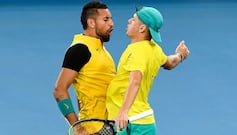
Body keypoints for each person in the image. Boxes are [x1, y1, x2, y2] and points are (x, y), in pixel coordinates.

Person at [106, 6, 190, 135]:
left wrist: (123, 112)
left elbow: (135, 81)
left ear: (142, 28)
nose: (129, 21)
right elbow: (169, 63)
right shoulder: (154, 49)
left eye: (133, 20)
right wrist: (180, 55)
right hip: (144, 121)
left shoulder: (137, 51)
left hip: (129, 123)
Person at [53, 0, 116, 133]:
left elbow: (83, 90)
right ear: (91, 23)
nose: (111, 24)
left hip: (110, 124)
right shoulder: (80, 49)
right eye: (105, 19)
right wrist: (77, 126)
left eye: (110, 19)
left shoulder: (101, 50)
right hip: (96, 128)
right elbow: (59, 90)